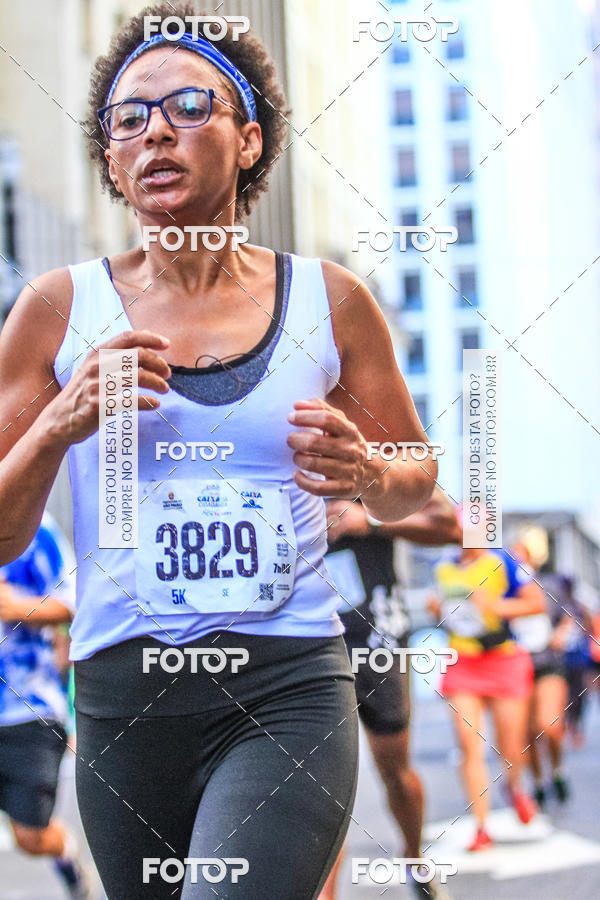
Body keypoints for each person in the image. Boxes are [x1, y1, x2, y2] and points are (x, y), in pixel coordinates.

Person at [0, 4, 438, 898]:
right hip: (125, 702)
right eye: (129, 118)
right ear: (112, 161)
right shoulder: (55, 308)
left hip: (288, 688)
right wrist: (59, 423)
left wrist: (368, 472)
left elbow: (416, 486)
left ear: (249, 141)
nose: (156, 131)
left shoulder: (330, 300)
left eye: (190, 106)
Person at [318, 489, 461, 900]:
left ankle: (414, 858)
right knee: (324, 784)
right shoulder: (273, 467)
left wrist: (370, 521)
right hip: (312, 642)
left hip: (378, 643)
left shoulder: (370, 463)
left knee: (395, 772)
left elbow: (454, 528)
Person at [430, 536, 545, 852]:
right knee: (469, 744)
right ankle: (481, 827)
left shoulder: (504, 561)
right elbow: (448, 613)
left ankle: (514, 786)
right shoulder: (442, 566)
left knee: (511, 746)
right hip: (462, 661)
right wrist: (436, 609)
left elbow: (537, 603)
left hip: (503, 659)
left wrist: (496, 606)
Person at [0, 512, 91, 898]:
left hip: (27, 708)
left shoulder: (36, 526)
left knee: (31, 836)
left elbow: (76, 603)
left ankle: (66, 856)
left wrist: (16, 607)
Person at [511, 530, 573, 807]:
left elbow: (569, 615)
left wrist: (561, 634)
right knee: (527, 734)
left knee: (549, 725)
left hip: (548, 663)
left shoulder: (550, 585)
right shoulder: (504, 586)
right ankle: (537, 782)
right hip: (517, 666)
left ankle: (557, 770)